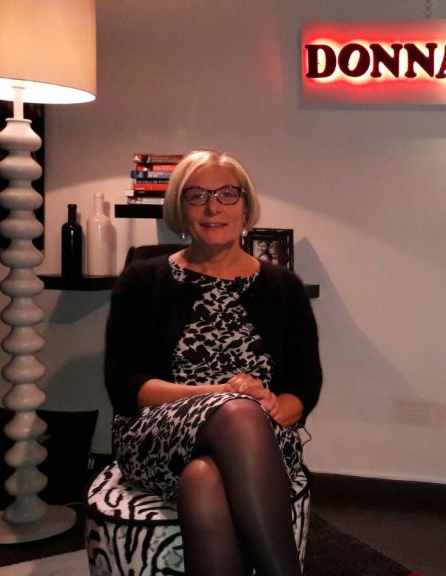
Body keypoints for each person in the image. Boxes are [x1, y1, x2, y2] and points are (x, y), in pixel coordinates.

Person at [104, 149, 322, 576]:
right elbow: (124, 385)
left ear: (245, 204)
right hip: (158, 436)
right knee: (237, 412)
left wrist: (275, 406)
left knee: (202, 478)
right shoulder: (142, 280)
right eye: (197, 195)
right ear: (180, 208)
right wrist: (221, 396)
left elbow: (304, 385)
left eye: (226, 194)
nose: (212, 207)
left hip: (261, 440)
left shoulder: (284, 287)